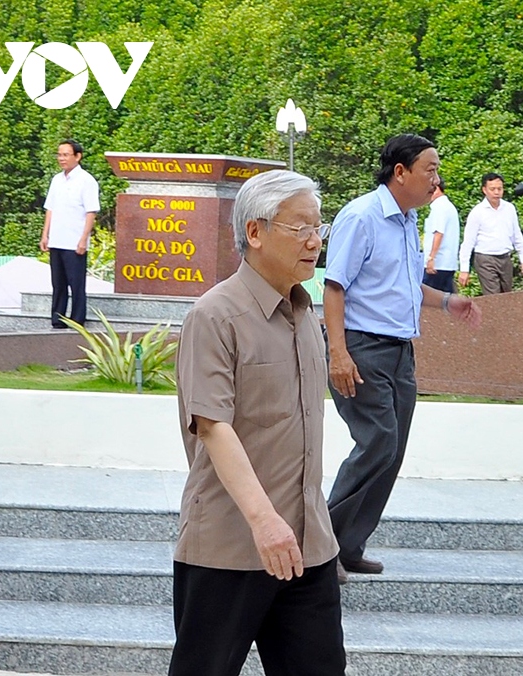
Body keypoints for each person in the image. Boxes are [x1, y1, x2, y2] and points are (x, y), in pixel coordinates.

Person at [170, 170, 344, 676]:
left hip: (307, 545)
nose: (314, 241)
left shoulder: (304, 313)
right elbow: (212, 426)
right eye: (300, 228)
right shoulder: (215, 315)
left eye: (319, 228)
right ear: (255, 232)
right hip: (230, 547)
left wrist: (299, 527)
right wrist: (265, 522)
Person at [324, 134, 481, 582]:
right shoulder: (361, 216)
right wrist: (339, 353)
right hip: (362, 347)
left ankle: (349, 545)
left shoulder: (407, 220)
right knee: (378, 442)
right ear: (401, 172)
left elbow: (405, 286)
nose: (436, 178)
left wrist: (448, 303)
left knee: (391, 451)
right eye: (429, 169)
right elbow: (334, 287)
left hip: (398, 350)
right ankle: (320, 544)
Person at [39, 139, 99, 329]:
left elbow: (91, 212)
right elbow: (50, 209)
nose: (61, 158)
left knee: (76, 283)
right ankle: (58, 318)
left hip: (74, 241)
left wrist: (83, 239)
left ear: (77, 156)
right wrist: (45, 234)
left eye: (66, 154)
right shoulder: (57, 180)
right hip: (57, 239)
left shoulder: (86, 181)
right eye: (59, 154)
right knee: (58, 283)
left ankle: (77, 318)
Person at [458, 173, 523, 294]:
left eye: (500, 189)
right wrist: (464, 269)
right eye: (492, 189)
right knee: (493, 296)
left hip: (505, 257)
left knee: (506, 294)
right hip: (485, 258)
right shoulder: (477, 212)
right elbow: (468, 242)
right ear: (484, 190)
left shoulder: (509, 208)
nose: (496, 192)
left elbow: (516, 235)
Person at [421, 180, 460, 293]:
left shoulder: (439, 207)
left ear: (436, 188)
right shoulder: (447, 206)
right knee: (446, 301)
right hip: (447, 263)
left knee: (429, 301)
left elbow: (438, 233)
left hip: (438, 264)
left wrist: (431, 258)